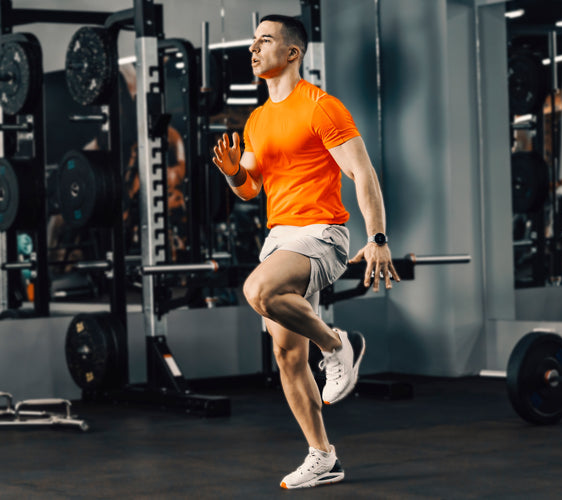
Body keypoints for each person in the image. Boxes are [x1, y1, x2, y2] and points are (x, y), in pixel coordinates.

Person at [211, 14, 399, 490]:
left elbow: (363, 173)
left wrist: (377, 237)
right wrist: (234, 173)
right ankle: (323, 456)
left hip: (322, 233)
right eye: (252, 43)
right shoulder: (256, 120)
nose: (253, 50)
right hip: (279, 237)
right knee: (286, 356)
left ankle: (339, 345)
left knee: (258, 289)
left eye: (264, 41)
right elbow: (250, 190)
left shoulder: (321, 107)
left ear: (292, 53)